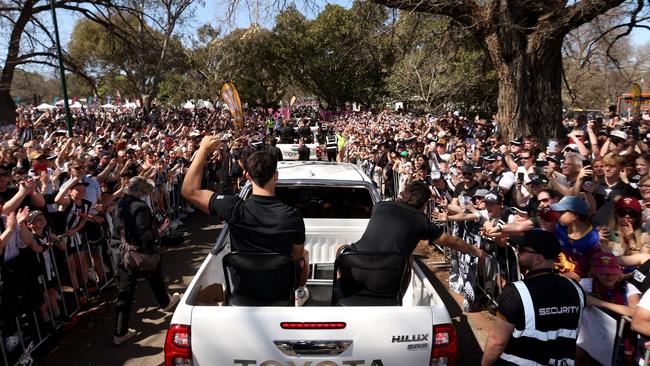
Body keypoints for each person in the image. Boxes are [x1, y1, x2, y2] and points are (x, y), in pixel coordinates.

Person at [181, 136, 311, 306]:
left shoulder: (233, 208)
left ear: (248, 176)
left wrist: (203, 150)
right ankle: (300, 293)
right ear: (276, 176)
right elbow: (297, 255)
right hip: (280, 293)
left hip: (244, 291)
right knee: (305, 255)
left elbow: (189, 191)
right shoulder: (292, 216)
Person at [481, 230, 586, 365]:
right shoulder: (576, 289)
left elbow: (497, 341)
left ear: (538, 258)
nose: (517, 251)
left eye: (523, 250)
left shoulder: (515, 292)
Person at [112, 176, 178, 346]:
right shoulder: (140, 207)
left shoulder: (120, 203)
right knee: (153, 272)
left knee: (125, 293)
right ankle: (165, 302)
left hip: (122, 253)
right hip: (140, 253)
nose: (148, 193)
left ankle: (120, 332)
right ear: (141, 191)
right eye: (147, 190)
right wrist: (160, 230)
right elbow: (144, 234)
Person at [351, 181, 484, 260]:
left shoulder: (380, 207)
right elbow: (452, 241)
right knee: (409, 259)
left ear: (404, 193)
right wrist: (475, 251)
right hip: (388, 271)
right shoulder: (421, 221)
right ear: (425, 203)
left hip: (354, 259)